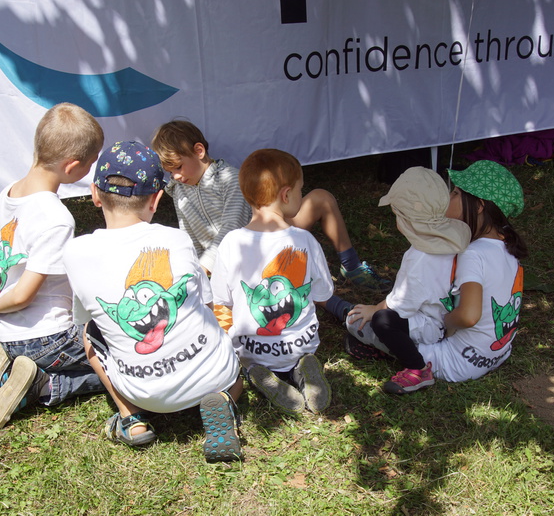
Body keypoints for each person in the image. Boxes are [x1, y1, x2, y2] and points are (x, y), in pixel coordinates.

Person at [63, 140, 243, 462]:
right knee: (233, 375)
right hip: (214, 375)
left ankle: (131, 418)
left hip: (146, 395)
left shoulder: (75, 253)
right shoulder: (176, 239)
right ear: (157, 200)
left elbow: (86, 317)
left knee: (88, 332)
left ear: (94, 194)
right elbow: (206, 302)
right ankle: (226, 399)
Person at [0, 102, 106, 429]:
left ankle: (13, 368)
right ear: (72, 167)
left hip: (9, 334)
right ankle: (46, 385)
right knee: (128, 359)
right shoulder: (55, 218)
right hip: (49, 338)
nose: (90, 170)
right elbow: (24, 295)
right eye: (90, 164)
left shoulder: (10, 193)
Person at [150, 119, 389, 293]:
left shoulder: (229, 179)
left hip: (265, 241)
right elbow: (188, 235)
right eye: (170, 172)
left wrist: (203, 268)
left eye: (178, 167)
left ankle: (352, 267)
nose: (175, 176)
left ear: (199, 151)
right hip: (231, 264)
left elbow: (231, 227)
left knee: (322, 198)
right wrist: (194, 268)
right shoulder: (179, 189)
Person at [366, 160, 527, 393]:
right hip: (495, 354)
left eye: (455, 193)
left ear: (479, 206)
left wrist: (445, 325)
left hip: (456, 362)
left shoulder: (472, 254)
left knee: (374, 324)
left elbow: (469, 316)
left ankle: (415, 370)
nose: (448, 198)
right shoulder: (507, 247)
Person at [210, 148, 334, 416]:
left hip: (252, 350)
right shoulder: (304, 240)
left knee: (250, 363)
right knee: (303, 354)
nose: (301, 194)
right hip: (302, 343)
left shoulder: (231, 243)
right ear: (286, 195)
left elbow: (221, 300)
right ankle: (304, 365)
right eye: (301, 190)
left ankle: (257, 372)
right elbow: (323, 292)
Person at [345, 167, 471, 368]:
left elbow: (401, 305)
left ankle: (416, 364)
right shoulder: (453, 238)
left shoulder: (418, 257)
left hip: (430, 326)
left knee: (366, 322)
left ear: (404, 218)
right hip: (445, 318)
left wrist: (374, 309)